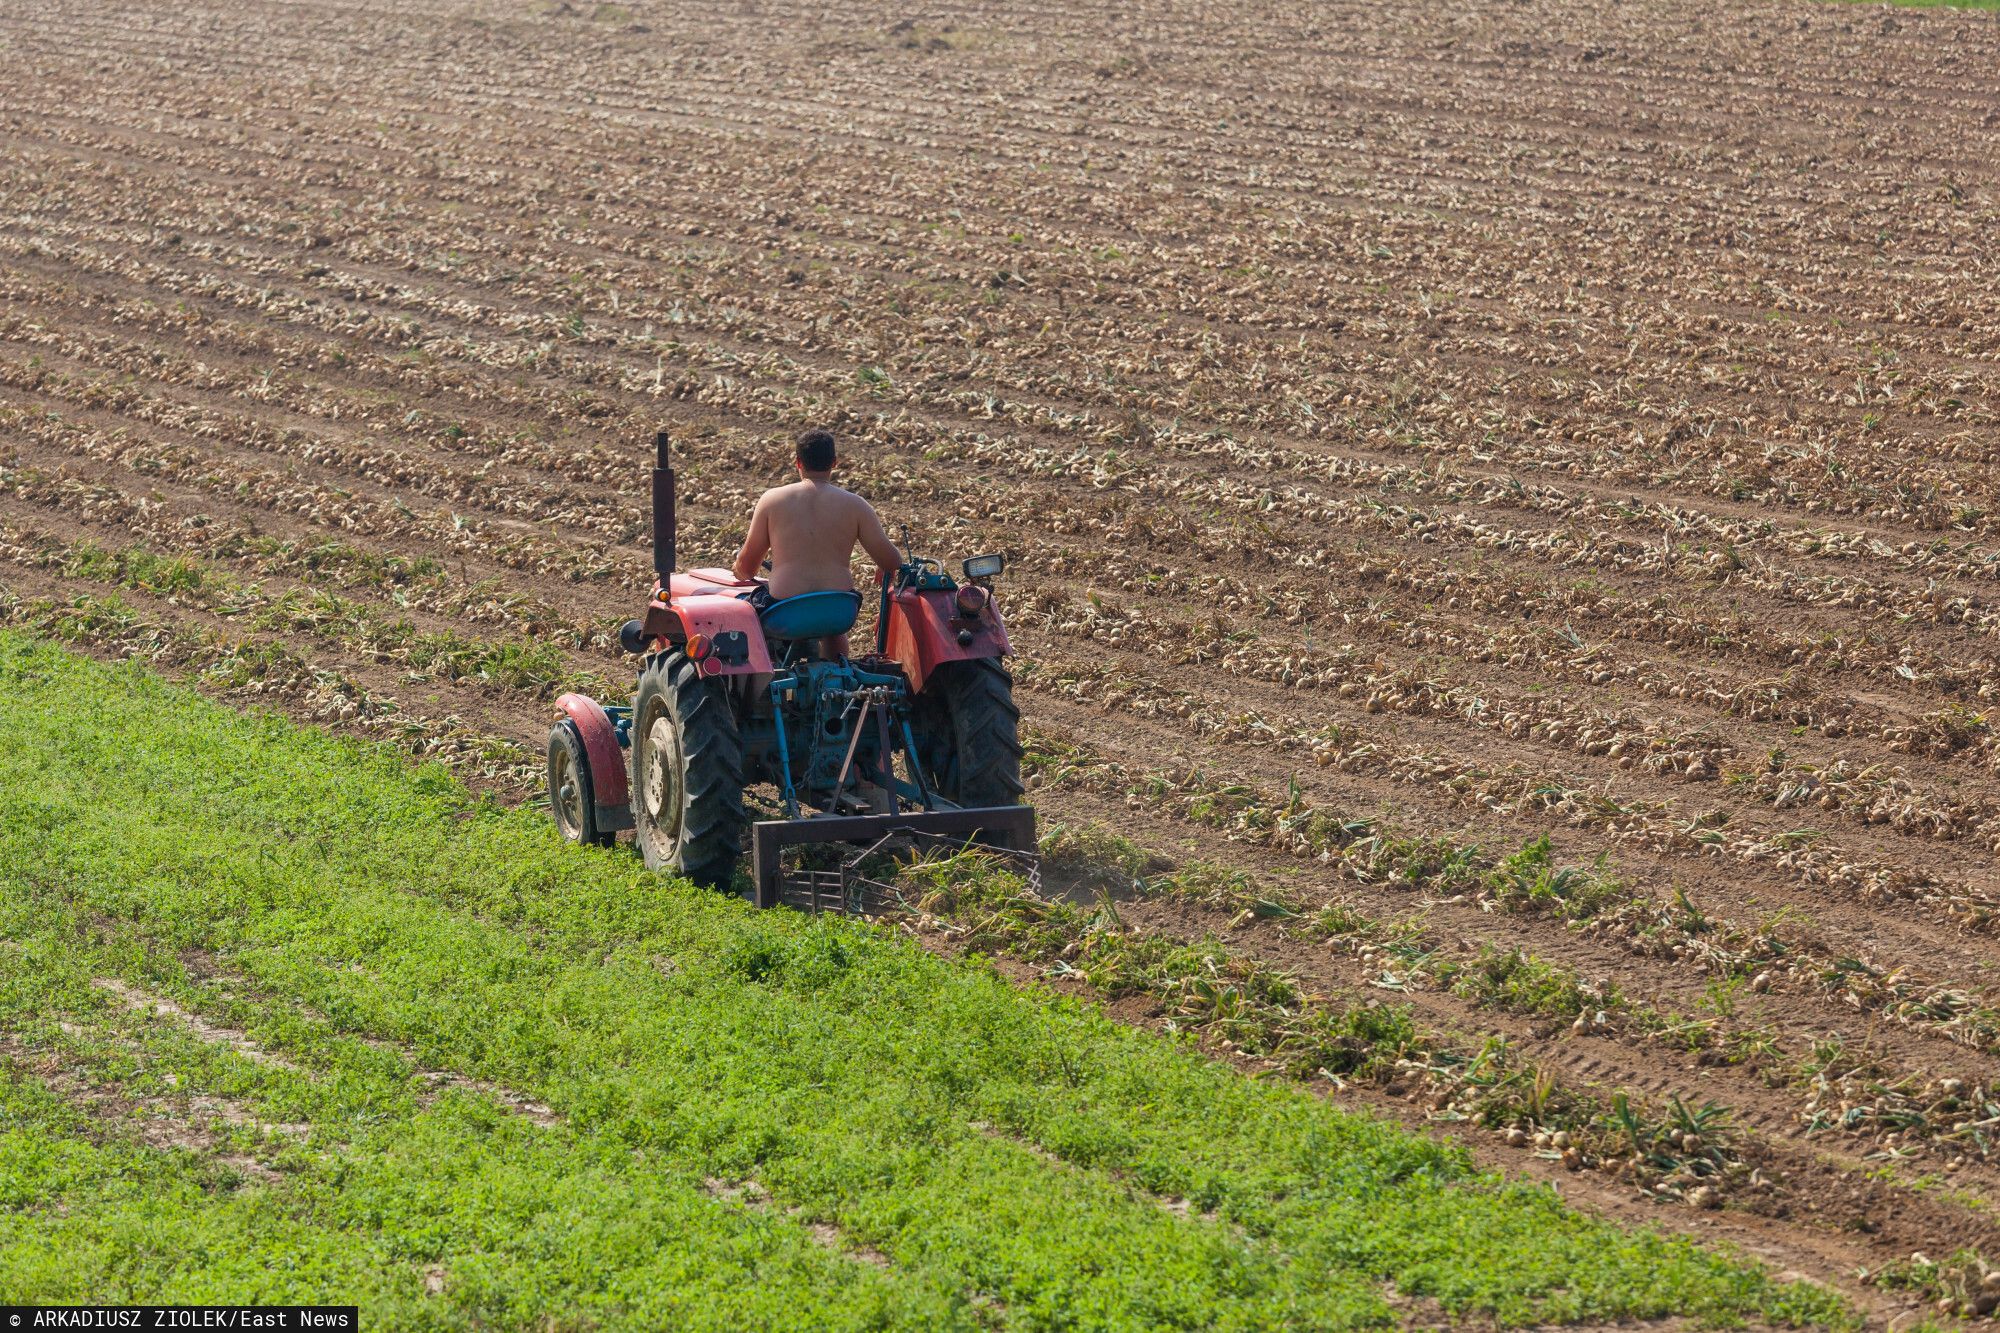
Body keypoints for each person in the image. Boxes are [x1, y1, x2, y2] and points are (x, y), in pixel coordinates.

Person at [732, 429, 902, 658]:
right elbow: (893, 561)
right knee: (833, 631)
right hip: (839, 608)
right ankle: (838, 679)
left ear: (798, 463)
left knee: (746, 617)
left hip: (786, 608)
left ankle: (758, 686)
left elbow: (748, 568)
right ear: (834, 463)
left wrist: (739, 569)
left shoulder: (772, 500)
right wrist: (884, 565)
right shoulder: (856, 505)